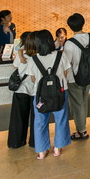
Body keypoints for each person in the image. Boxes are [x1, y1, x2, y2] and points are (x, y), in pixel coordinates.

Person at [26, 30, 71, 160]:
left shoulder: (34, 59)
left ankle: (41, 150)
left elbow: (33, 79)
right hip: (60, 92)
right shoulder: (60, 55)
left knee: (40, 121)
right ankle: (57, 148)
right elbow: (65, 74)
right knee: (61, 118)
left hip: (40, 94)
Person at [63, 13, 90, 140]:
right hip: (89, 75)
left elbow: (67, 64)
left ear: (70, 27)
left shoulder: (69, 44)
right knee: (83, 101)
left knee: (77, 104)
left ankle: (81, 131)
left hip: (74, 78)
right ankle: (82, 127)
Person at [7, 31, 34, 149]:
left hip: (21, 90)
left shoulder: (21, 54)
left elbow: (15, 66)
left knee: (18, 118)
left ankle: (16, 142)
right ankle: (34, 141)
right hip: (34, 90)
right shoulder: (38, 54)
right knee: (36, 119)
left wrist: (20, 53)